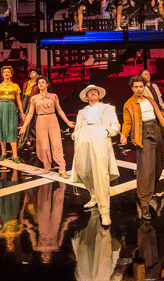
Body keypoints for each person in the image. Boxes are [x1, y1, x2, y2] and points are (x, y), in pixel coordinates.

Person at [120, 75, 164, 221]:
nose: (138, 89)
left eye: (141, 86)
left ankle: (147, 189)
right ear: (132, 88)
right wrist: (124, 134)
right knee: (146, 168)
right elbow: (127, 122)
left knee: (158, 166)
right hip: (143, 133)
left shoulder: (149, 100)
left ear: (144, 87)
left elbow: (160, 115)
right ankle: (144, 203)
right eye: (136, 87)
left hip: (156, 130)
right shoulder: (129, 104)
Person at [70, 84, 121, 227]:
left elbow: (115, 125)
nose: (93, 93)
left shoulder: (108, 108)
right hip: (83, 137)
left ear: (100, 95)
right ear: (86, 97)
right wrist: (76, 134)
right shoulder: (82, 111)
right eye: (90, 92)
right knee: (84, 171)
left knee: (101, 173)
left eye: (95, 91)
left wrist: (107, 132)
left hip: (99, 135)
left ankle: (105, 211)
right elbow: (78, 126)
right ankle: (94, 195)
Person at [19, 76, 75, 178]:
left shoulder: (54, 96)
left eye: (43, 82)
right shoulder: (34, 98)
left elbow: (59, 110)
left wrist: (67, 122)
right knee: (43, 145)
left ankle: (62, 168)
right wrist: (24, 126)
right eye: (39, 83)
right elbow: (30, 113)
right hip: (41, 120)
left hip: (52, 119)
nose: (41, 84)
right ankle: (46, 165)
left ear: (47, 84)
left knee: (56, 143)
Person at [0, 66, 22, 164]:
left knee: (12, 129)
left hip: (11, 106)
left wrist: (22, 112)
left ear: (11, 74)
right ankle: (3, 153)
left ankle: (15, 155)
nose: (6, 73)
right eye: (4, 72)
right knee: (1, 129)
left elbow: (19, 100)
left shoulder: (15, 86)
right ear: (2, 75)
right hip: (1, 107)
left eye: (8, 72)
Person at [19, 67, 41, 149]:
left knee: (27, 123)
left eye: (34, 72)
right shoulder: (26, 83)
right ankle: (38, 140)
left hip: (32, 102)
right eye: (31, 72)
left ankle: (21, 143)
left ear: (38, 75)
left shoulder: (38, 84)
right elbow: (23, 95)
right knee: (24, 121)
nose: (31, 73)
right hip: (25, 100)